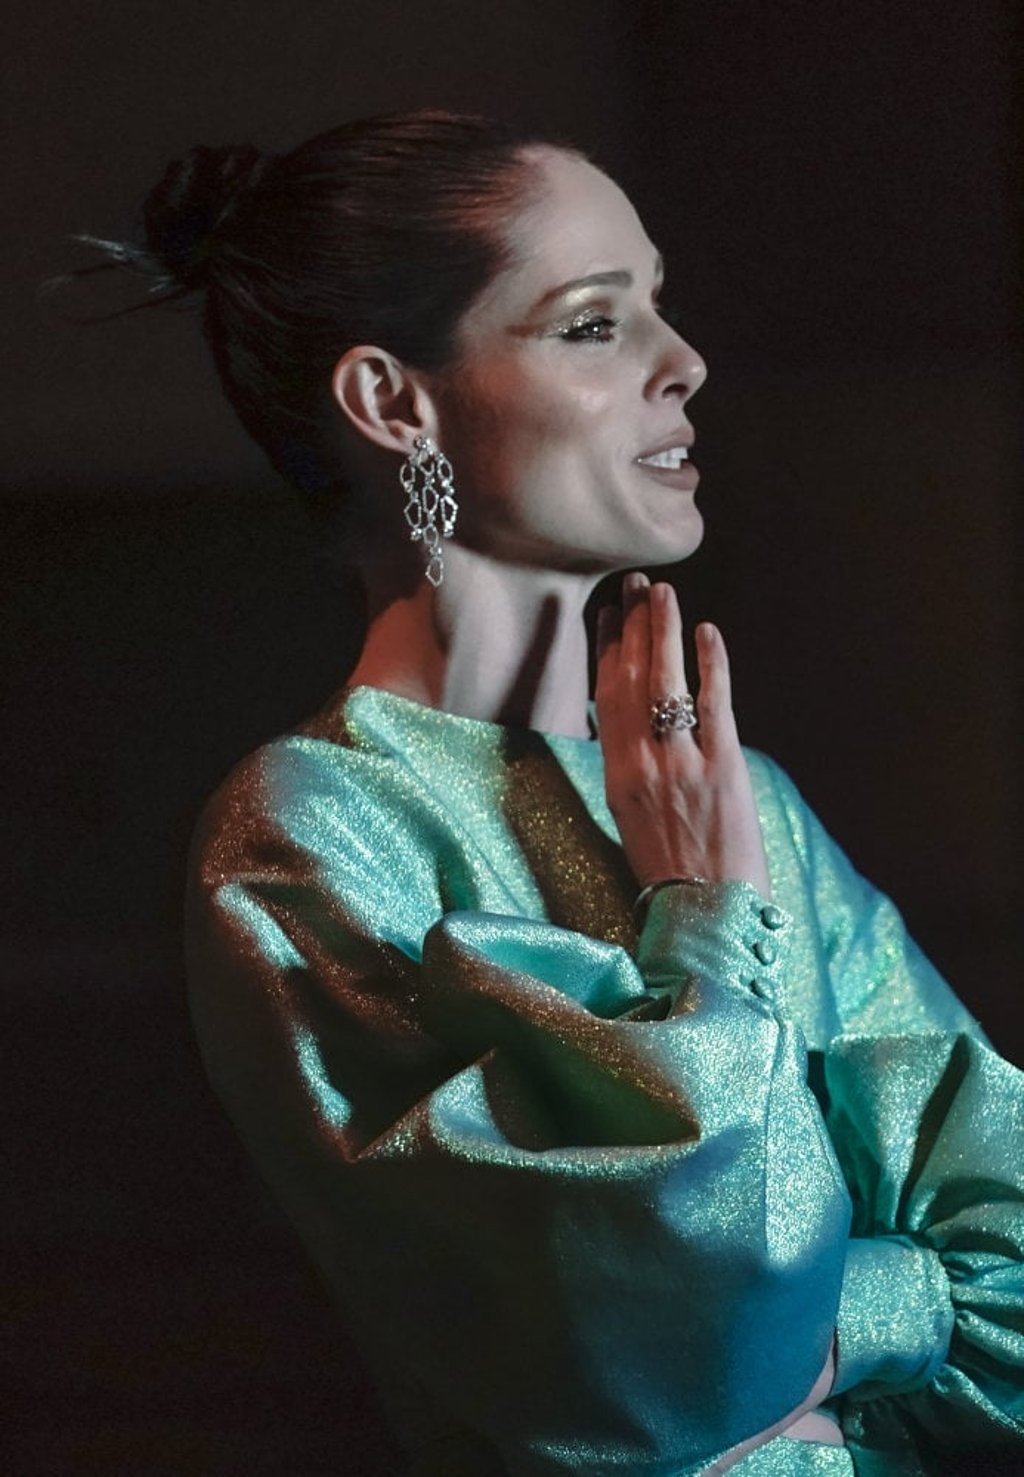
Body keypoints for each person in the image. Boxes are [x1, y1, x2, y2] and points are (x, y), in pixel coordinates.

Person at [94, 111, 1023, 1475]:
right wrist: (703, 913)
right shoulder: (310, 831)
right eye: (594, 323)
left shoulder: (744, 795)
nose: (683, 360)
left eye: (660, 303)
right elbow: (661, 1357)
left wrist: (823, 1339)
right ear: (393, 403)